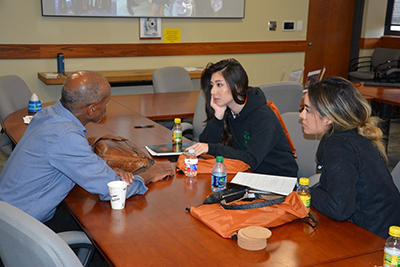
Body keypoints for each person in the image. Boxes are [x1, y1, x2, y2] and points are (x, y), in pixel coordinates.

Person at [0, 71, 174, 232]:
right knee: (110, 232)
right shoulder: (65, 136)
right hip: (23, 228)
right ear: (91, 109)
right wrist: (150, 174)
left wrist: (102, 169)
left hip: (10, 212)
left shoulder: (48, 114)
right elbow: (111, 191)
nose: (107, 106)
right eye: (106, 102)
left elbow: (67, 157)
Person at [300, 76, 400, 239]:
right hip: (377, 227)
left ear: (329, 118)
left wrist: (305, 192)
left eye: (308, 110)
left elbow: (339, 208)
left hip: (377, 240)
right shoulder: (345, 136)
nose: (302, 115)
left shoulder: (339, 147)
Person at [188, 58, 298, 177]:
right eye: (212, 85)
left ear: (238, 87)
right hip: (247, 175)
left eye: (219, 85)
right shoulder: (229, 111)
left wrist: (211, 148)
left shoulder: (263, 116)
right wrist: (218, 117)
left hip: (277, 179)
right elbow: (205, 147)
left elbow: (251, 160)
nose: (213, 91)